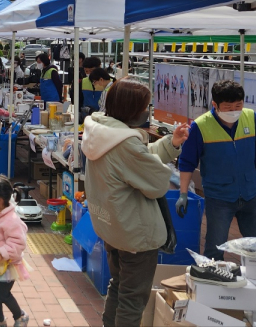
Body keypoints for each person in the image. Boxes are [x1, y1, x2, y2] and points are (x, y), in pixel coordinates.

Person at [80, 78, 190, 326]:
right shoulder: (126, 142)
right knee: (132, 298)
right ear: (132, 109)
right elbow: (157, 183)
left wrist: (171, 143)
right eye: (145, 106)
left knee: (118, 286)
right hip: (135, 233)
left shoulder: (102, 131)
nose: (146, 111)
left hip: (113, 226)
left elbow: (139, 158)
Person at [177, 80, 256, 260]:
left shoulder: (251, 118)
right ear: (215, 105)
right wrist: (183, 193)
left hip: (250, 194)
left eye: (238, 105)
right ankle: (214, 283)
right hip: (219, 198)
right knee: (215, 249)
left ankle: (255, 285)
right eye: (228, 107)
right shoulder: (200, 126)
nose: (234, 111)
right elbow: (186, 163)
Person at [0, 176, 31, 327]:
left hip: (7, 265)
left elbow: (18, 242)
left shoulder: (12, 220)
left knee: (2, 293)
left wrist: (2, 253)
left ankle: (20, 316)